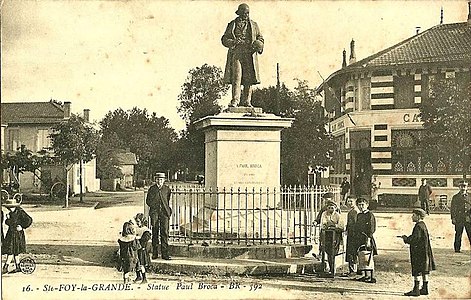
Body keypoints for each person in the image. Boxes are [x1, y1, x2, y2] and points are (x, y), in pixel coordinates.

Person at [221, 3, 264, 107]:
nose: (246, 15)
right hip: (237, 53)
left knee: (248, 78)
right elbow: (224, 39)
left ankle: (247, 101)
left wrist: (259, 44)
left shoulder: (254, 25)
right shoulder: (232, 24)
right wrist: (233, 42)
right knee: (237, 76)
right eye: (244, 13)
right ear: (239, 13)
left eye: (248, 13)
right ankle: (235, 100)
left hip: (249, 53)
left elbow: (260, 38)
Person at [401, 208, 436, 296]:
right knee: (425, 270)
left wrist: (406, 239)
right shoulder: (423, 225)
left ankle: (416, 290)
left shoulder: (418, 226)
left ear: (418, 216)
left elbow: (415, 239)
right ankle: (425, 288)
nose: (412, 217)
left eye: (414, 215)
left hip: (418, 252)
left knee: (417, 270)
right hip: (425, 252)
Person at [2, 198, 33, 274]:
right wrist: (8, 219)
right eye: (8, 207)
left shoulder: (20, 212)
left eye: (10, 207)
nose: (9, 209)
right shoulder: (10, 213)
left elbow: (29, 220)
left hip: (18, 234)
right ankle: (18, 267)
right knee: (14, 251)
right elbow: (9, 223)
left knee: (11, 251)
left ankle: (6, 267)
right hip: (11, 233)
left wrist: (22, 227)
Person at [146, 172, 172, 260]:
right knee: (155, 232)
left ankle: (165, 254)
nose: (159, 181)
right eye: (157, 179)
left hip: (164, 213)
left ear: (164, 180)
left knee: (164, 232)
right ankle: (155, 253)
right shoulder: (152, 189)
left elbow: (167, 199)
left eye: (161, 179)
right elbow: (148, 201)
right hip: (155, 213)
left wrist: (165, 209)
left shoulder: (167, 189)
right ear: (155, 180)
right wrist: (155, 206)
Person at [355, 197, 377, 283]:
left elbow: (372, 228)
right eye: (359, 205)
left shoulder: (370, 215)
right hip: (360, 238)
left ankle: (371, 276)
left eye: (362, 205)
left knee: (368, 256)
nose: (361, 206)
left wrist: (368, 238)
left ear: (367, 205)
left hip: (367, 238)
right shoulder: (359, 215)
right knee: (361, 256)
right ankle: (365, 275)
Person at [319, 201, 344, 276]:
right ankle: (329, 269)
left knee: (333, 252)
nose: (330, 209)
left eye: (332, 208)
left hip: (335, 236)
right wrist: (330, 225)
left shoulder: (338, 216)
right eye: (329, 208)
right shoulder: (324, 214)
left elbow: (341, 226)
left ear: (335, 208)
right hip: (326, 235)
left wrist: (333, 225)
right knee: (327, 251)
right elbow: (323, 224)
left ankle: (333, 269)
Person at [450, 180, 470, 253]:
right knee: (458, 234)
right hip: (459, 219)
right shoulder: (455, 197)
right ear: (459, 187)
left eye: (464, 186)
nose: (463, 188)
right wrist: (453, 218)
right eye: (461, 186)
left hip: (468, 219)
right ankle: (457, 249)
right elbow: (452, 209)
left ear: (467, 187)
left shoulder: (470, 196)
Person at [134, 213, 151, 283]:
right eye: (136, 222)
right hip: (137, 249)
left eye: (138, 222)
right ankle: (138, 276)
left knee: (141, 264)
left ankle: (144, 278)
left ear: (142, 221)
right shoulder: (137, 229)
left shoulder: (146, 230)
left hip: (142, 250)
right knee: (136, 263)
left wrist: (139, 239)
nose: (137, 223)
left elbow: (145, 240)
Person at [344, 196, 359, 276]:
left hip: (354, 234)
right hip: (350, 233)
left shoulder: (355, 211)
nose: (349, 203)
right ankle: (352, 269)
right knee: (350, 251)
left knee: (352, 251)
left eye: (351, 201)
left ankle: (353, 270)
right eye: (348, 201)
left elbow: (355, 223)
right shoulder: (351, 211)